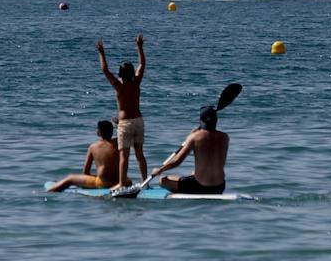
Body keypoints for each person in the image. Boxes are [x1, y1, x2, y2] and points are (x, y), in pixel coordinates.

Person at [97, 33, 148, 188]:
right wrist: (139, 47)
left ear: (119, 73)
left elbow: (105, 70)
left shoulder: (118, 86)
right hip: (139, 121)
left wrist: (101, 53)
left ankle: (120, 184)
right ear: (132, 73)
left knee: (123, 156)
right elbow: (142, 64)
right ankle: (145, 182)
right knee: (139, 154)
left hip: (125, 124)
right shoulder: (136, 82)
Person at [152, 104, 230, 195]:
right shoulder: (225, 137)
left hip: (200, 187)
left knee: (163, 180)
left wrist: (160, 169)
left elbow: (177, 161)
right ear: (216, 120)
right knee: (193, 173)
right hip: (219, 187)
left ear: (200, 120)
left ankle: (183, 190)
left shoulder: (194, 137)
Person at [47, 120, 120, 192]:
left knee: (70, 178)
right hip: (120, 181)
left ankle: (48, 192)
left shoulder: (93, 147)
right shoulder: (118, 143)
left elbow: (85, 172)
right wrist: (119, 124)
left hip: (103, 184)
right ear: (111, 132)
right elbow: (125, 134)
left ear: (98, 132)